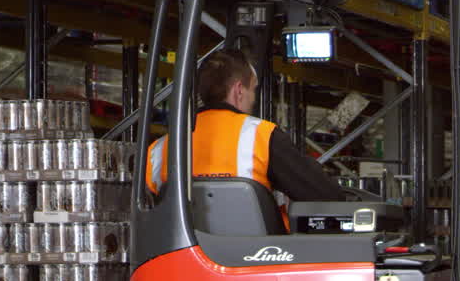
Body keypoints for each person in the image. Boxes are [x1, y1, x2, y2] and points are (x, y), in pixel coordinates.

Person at [145, 49, 345, 206]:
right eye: (253, 89)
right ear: (239, 90)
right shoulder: (261, 136)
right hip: (255, 247)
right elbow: (326, 195)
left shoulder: (159, 150)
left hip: (183, 247)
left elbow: (146, 210)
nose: (254, 98)